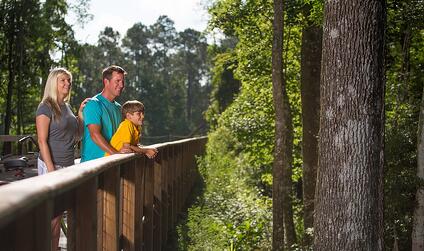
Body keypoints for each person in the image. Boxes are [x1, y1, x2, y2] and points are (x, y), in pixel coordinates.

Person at [36, 67, 88, 250]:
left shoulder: (66, 107)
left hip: (66, 166)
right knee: (53, 215)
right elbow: (42, 141)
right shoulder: (45, 107)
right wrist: (51, 170)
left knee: (58, 215)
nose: (67, 83)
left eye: (69, 81)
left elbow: (77, 136)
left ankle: (54, 247)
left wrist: (80, 113)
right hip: (51, 165)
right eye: (63, 80)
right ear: (53, 83)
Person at [81, 65, 132, 162]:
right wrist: (117, 155)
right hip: (91, 165)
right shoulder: (93, 104)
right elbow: (95, 135)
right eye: (117, 81)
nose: (121, 85)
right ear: (106, 82)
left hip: (110, 164)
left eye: (122, 81)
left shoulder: (118, 108)